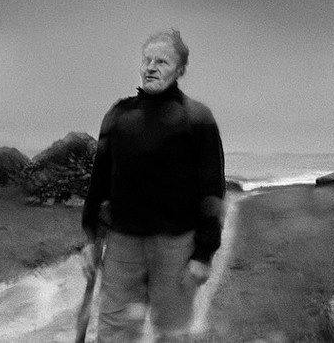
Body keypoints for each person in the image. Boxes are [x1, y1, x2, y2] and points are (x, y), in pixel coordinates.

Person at [81, 29, 226, 342]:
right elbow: (100, 180)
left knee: (172, 333)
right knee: (114, 331)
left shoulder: (198, 119)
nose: (151, 67)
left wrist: (204, 254)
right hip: (122, 245)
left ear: (180, 70)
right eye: (146, 60)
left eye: (161, 61)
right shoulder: (118, 115)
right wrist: (91, 238)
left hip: (175, 246)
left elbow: (213, 193)